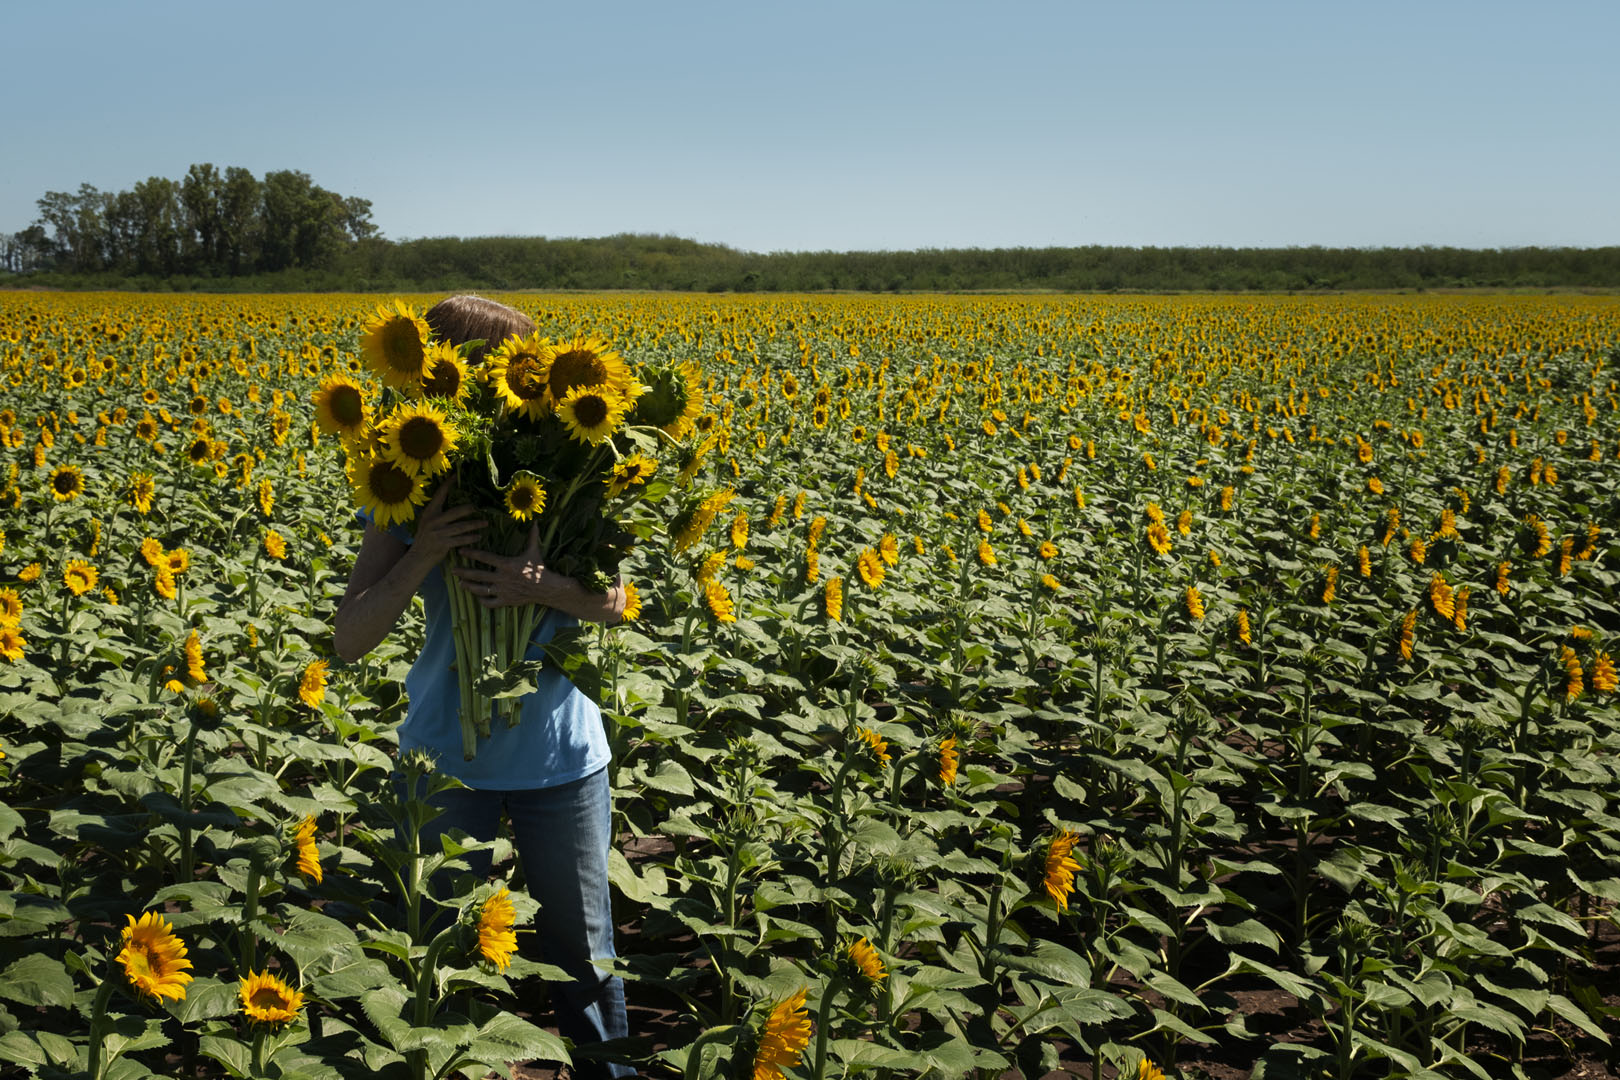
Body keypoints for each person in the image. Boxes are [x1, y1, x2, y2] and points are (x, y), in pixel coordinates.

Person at [333, 295, 635, 1080]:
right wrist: (423, 548)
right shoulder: (410, 479)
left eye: (534, 369)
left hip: (560, 759)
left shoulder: (572, 475)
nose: (530, 380)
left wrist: (546, 587)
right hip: (445, 756)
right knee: (440, 950)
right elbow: (351, 638)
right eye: (517, 364)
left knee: (583, 957)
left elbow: (619, 602)